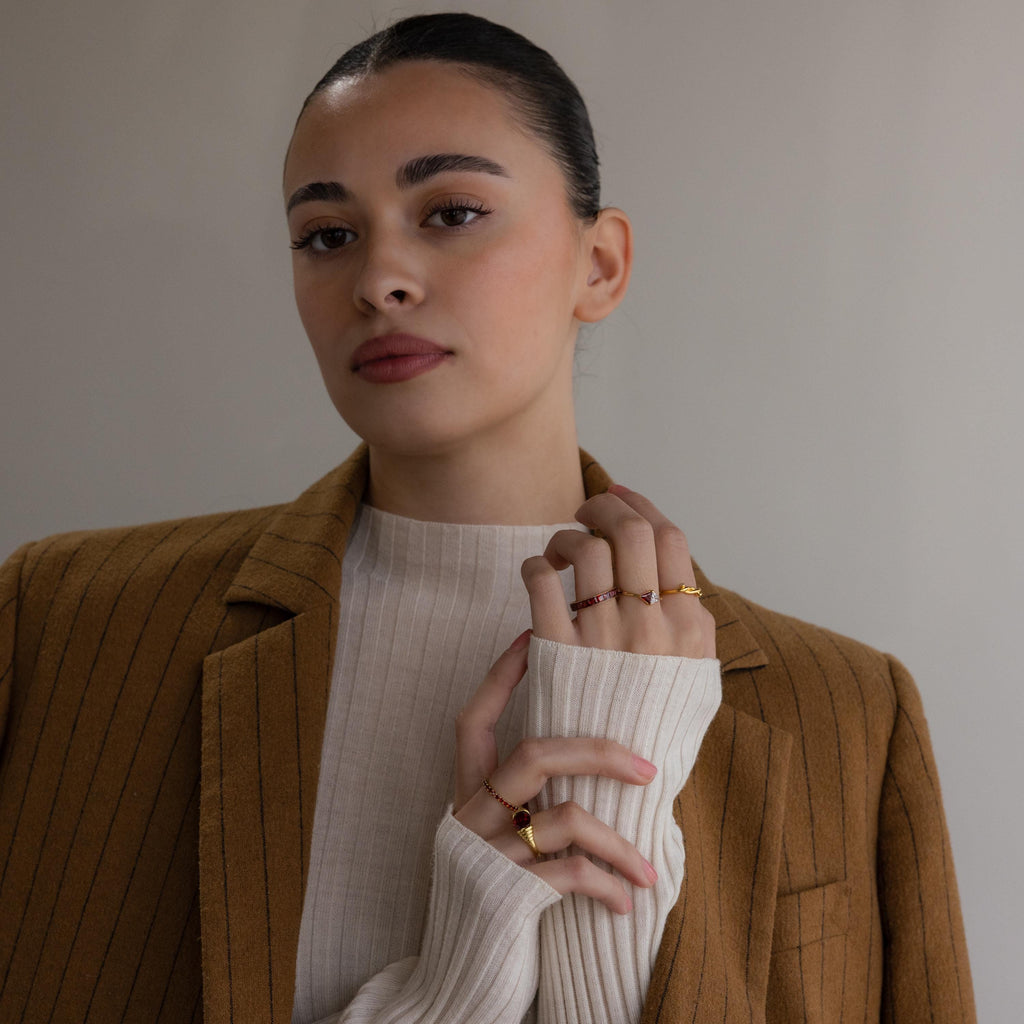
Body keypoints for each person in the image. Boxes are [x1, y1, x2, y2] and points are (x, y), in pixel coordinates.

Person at [0, 12, 974, 1024]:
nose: (379, 279)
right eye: (327, 235)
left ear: (598, 265)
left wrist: (617, 800)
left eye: (451, 212)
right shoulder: (63, 627)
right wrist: (455, 974)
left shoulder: (848, 714)